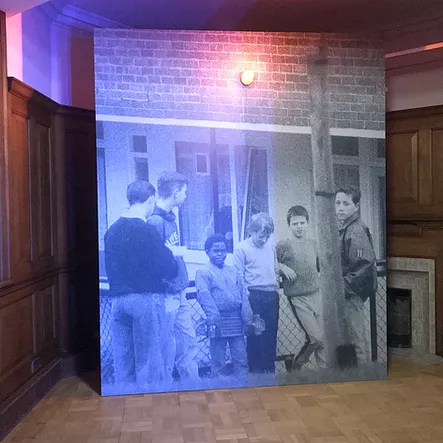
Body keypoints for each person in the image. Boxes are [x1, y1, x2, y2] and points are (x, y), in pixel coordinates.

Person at [104, 181, 178, 388]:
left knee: (123, 366)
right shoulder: (146, 231)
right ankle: (151, 413)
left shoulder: (111, 231)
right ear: (151, 200)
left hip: (117, 303)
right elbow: (169, 268)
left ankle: (125, 413)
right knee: (150, 366)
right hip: (145, 300)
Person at [148, 171, 199, 383]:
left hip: (180, 293)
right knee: (165, 348)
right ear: (176, 191)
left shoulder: (171, 219)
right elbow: (153, 263)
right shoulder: (154, 221)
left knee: (188, 343)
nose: (186, 196)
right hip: (166, 295)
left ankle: (194, 389)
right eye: (184, 192)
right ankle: (163, 393)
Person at [195, 234, 253, 379]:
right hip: (218, 322)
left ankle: (243, 389)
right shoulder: (203, 272)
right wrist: (214, 319)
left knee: (241, 358)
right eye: (216, 251)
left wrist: (247, 317)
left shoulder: (234, 271)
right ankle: (218, 393)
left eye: (223, 250)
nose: (220, 254)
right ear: (207, 252)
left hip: (236, 321)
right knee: (218, 361)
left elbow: (243, 295)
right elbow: (205, 297)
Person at [277, 205, 325, 370]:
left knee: (323, 339)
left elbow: (321, 266)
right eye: (295, 223)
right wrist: (282, 267)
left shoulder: (313, 243)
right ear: (289, 225)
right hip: (298, 297)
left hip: (316, 294)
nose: (299, 227)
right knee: (316, 337)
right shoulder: (283, 245)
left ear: (307, 223)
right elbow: (270, 262)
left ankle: (324, 374)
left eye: (302, 223)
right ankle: (296, 365)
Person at [335, 186, 378, 364]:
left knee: (355, 338)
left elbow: (364, 264)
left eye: (346, 203)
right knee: (349, 337)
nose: (340, 208)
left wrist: (343, 286)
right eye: (337, 203)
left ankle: (363, 377)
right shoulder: (346, 228)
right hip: (347, 292)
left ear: (356, 206)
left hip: (351, 293)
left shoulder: (355, 230)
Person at [234, 213, 280, 374]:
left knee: (271, 336)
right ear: (251, 231)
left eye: (266, 237)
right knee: (256, 336)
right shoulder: (241, 248)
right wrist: (246, 301)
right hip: (253, 296)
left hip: (271, 294)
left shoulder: (270, 245)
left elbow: (274, 267)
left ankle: (269, 373)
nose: (263, 240)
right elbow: (238, 276)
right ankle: (255, 375)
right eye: (260, 236)